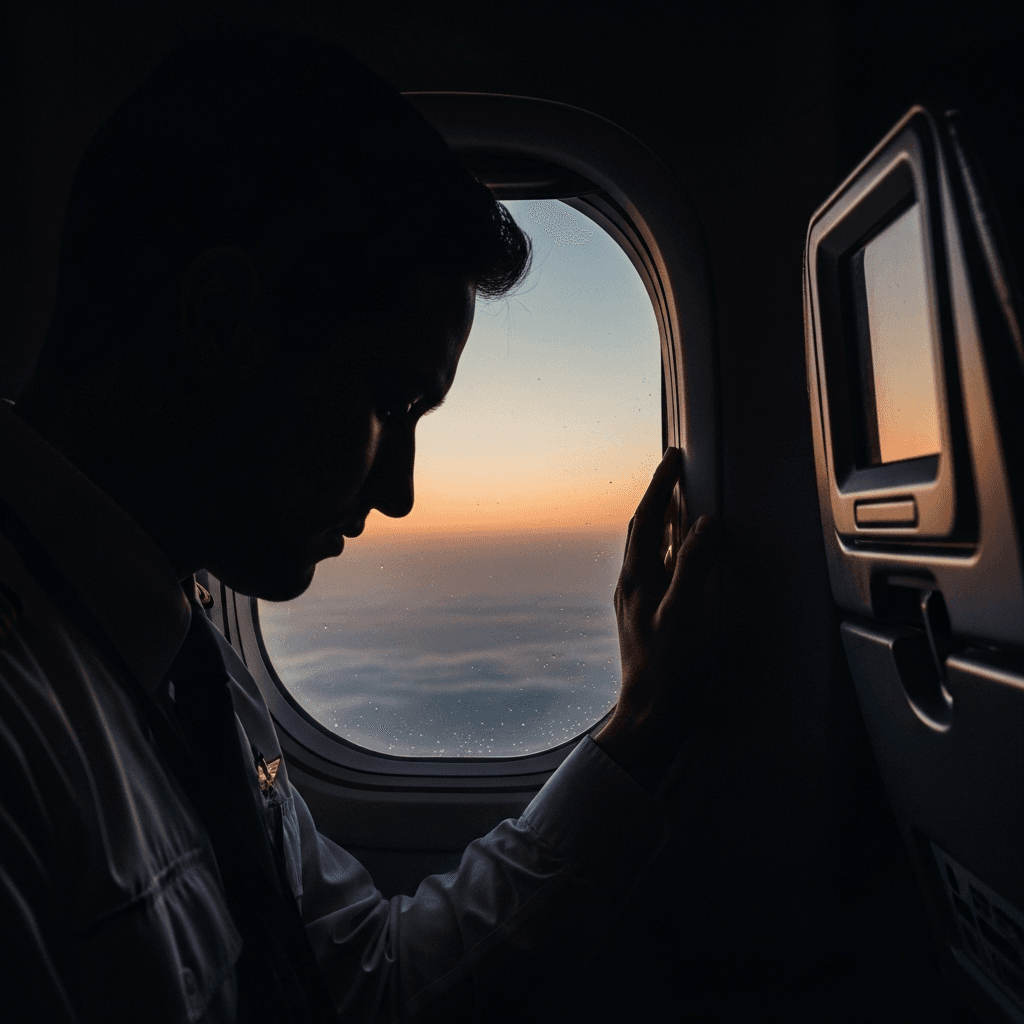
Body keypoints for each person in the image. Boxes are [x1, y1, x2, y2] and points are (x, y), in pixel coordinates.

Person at [0, 27, 720, 1023]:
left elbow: (364, 986)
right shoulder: (24, 735)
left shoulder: (184, 661)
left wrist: (642, 722)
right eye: (391, 401)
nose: (398, 493)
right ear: (219, 320)